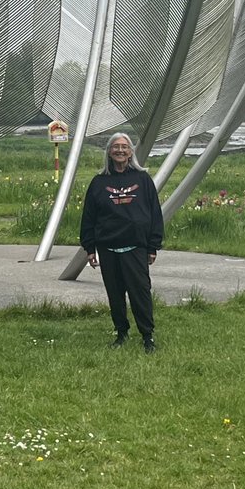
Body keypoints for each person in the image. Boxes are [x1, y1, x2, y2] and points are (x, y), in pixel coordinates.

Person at [80, 132, 164, 352]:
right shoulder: (99, 182)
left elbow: (155, 213)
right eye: (115, 147)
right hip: (108, 248)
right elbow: (89, 216)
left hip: (136, 246)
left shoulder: (143, 179)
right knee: (115, 295)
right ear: (109, 151)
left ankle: (147, 336)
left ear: (131, 152)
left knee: (140, 293)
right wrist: (90, 248)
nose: (120, 150)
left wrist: (153, 245)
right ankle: (121, 332)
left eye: (124, 147)